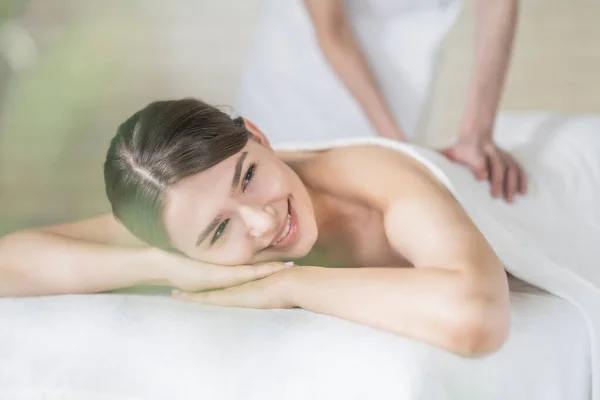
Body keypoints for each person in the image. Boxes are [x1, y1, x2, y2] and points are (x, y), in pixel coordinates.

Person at [0, 98, 524, 357]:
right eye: (216, 233)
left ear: (257, 135)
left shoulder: (366, 177)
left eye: (247, 176)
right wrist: (164, 263)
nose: (262, 218)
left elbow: (475, 318)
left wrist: (289, 283)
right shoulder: (179, 219)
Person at [236, 0, 525, 202]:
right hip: (305, 75)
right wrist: (397, 144)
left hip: (401, 64)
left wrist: (477, 132)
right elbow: (332, 31)